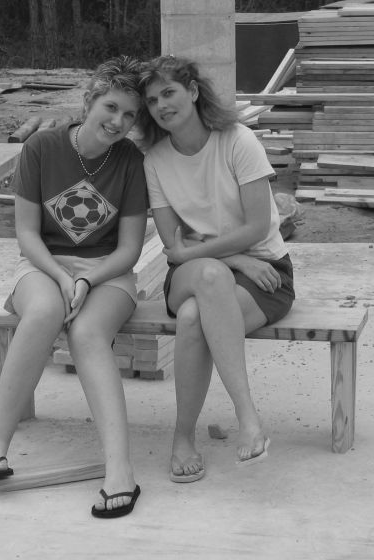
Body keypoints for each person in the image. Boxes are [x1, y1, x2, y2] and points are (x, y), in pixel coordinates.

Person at [0, 55, 148, 518]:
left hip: (108, 270)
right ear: (90, 100)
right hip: (43, 263)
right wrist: (59, 276)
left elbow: (129, 249)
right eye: (111, 107)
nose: (118, 122)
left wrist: (88, 279)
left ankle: (120, 471)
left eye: (130, 115)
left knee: (89, 333)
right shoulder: (41, 148)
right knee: (43, 312)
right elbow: (27, 234)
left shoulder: (131, 160)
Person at [139, 55, 295, 482]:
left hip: (266, 273)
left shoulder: (237, 141)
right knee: (209, 278)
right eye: (152, 100)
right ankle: (248, 417)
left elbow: (257, 225)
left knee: (194, 318)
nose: (161, 105)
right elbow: (173, 245)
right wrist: (230, 258)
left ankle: (183, 438)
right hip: (193, 271)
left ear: (191, 91)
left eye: (169, 92)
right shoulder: (155, 159)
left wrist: (231, 257)